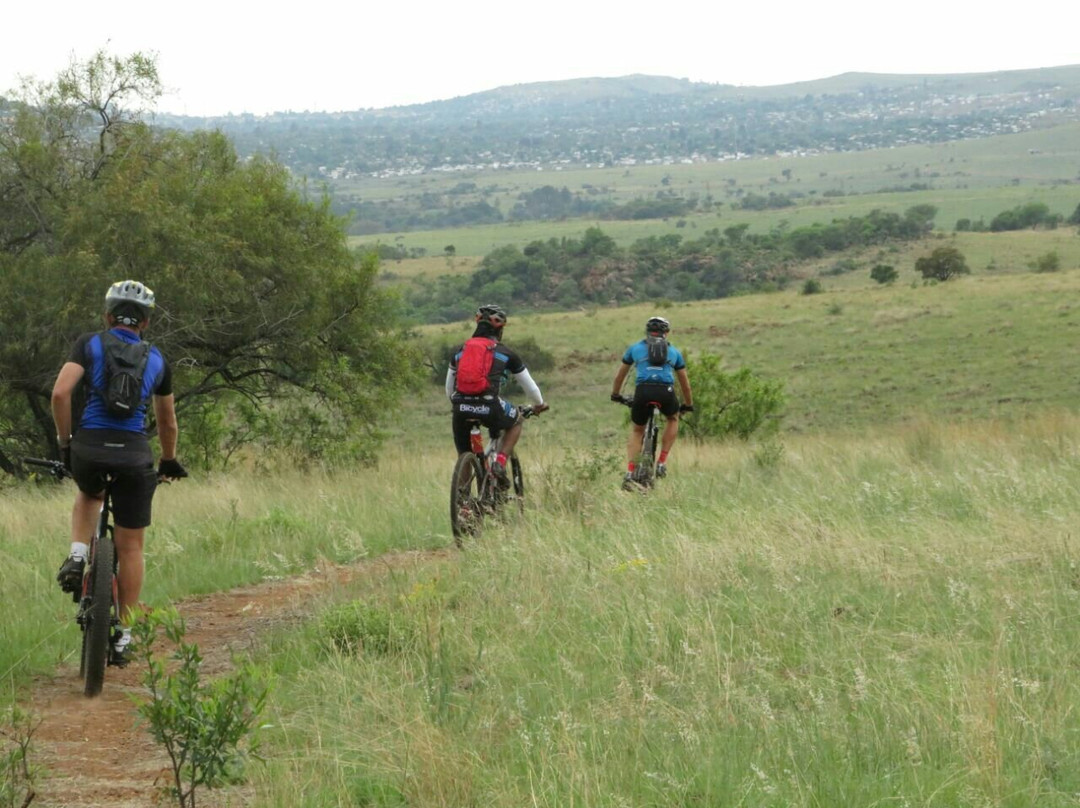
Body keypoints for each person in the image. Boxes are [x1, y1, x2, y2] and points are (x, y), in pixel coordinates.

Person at [51, 280, 187, 666]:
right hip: (133, 457)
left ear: (108, 316)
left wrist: (66, 443)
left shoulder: (89, 344)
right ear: (144, 323)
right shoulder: (158, 360)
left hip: (90, 448)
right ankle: (124, 636)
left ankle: (78, 556)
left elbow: (60, 394)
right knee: (131, 547)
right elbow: (168, 422)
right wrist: (168, 460)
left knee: (89, 493)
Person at [446, 304, 548, 479]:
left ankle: (463, 504)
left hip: (460, 407)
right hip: (490, 406)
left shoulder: (460, 351)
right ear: (500, 328)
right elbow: (530, 387)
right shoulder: (506, 353)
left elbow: (449, 388)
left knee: (464, 454)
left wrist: (462, 404)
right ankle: (500, 462)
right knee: (516, 420)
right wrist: (538, 405)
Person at [610, 315, 693, 487]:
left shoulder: (634, 349)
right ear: (667, 333)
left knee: (637, 430)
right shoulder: (674, 352)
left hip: (643, 391)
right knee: (672, 418)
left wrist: (616, 394)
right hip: (665, 392)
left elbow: (620, 376)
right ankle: (662, 462)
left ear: (647, 332)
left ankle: (630, 471)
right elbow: (685, 384)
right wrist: (688, 404)